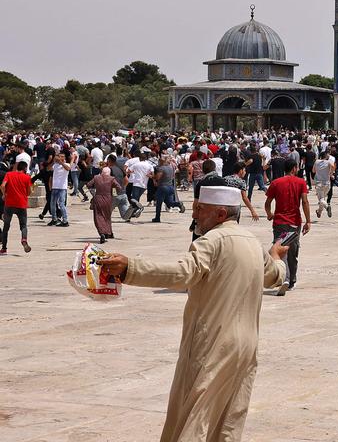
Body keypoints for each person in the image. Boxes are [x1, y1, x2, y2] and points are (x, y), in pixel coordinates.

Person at [99, 186, 289, 442]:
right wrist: (276, 257)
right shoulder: (252, 242)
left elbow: (183, 273)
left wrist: (129, 268)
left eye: (200, 209)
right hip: (245, 346)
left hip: (212, 344)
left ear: (221, 214)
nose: (194, 214)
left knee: (194, 417)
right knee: (228, 417)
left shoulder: (211, 241)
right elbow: (275, 276)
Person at [264, 159, 312, 295]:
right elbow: (305, 202)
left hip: (279, 223)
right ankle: (290, 281)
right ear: (295, 168)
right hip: (294, 223)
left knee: (279, 250)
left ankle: (283, 278)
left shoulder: (275, 183)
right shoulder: (301, 182)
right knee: (292, 252)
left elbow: (267, 202)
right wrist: (308, 221)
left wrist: (269, 214)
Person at [1, 160, 33, 255]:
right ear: (25, 168)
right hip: (21, 204)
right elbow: (29, 192)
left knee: (6, 226)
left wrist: (4, 194)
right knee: (23, 225)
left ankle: (4, 248)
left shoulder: (9, 174)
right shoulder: (27, 177)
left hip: (9, 203)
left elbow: (2, 185)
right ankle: (24, 239)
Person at [87, 166, 123, 244]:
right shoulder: (111, 179)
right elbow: (119, 187)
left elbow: (89, 185)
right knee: (107, 216)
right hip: (108, 199)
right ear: (109, 173)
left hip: (98, 198)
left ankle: (102, 233)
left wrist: (94, 191)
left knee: (98, 216)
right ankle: (108, 232)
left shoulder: (96, 177)